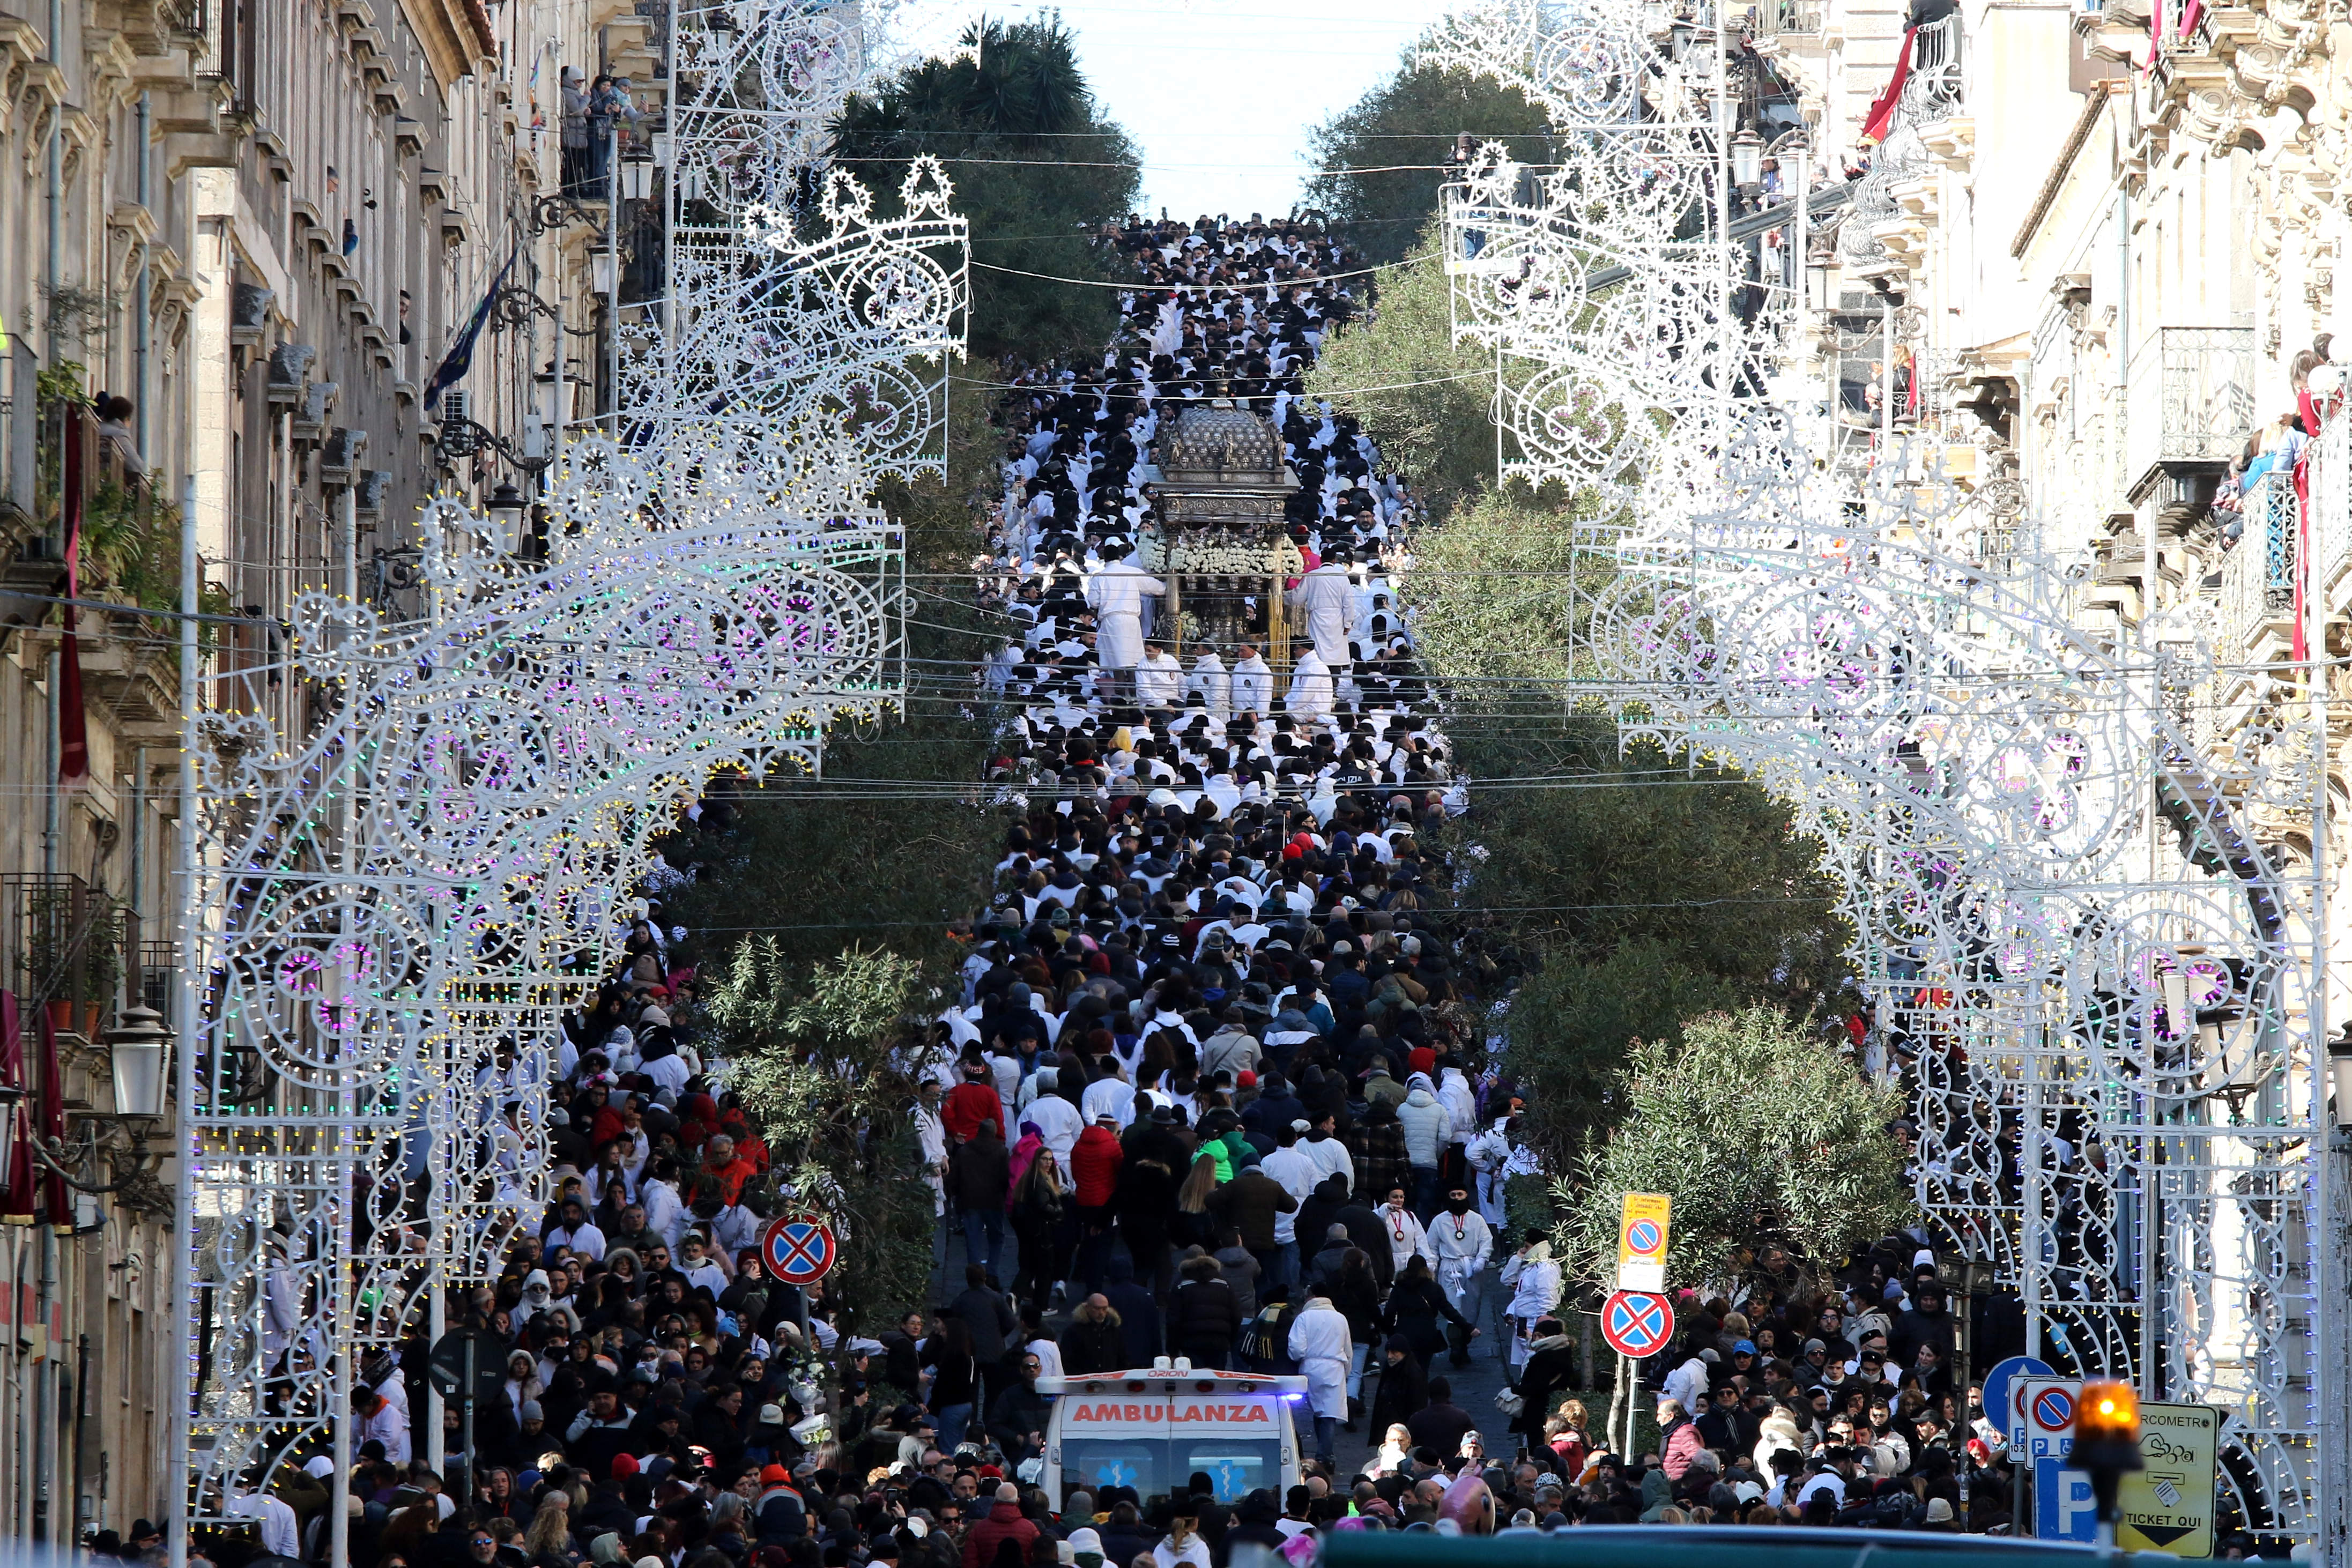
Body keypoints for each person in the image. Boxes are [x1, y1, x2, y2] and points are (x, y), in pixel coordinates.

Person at [1287, 1285, 1353, 1467]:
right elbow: (1348, 1349)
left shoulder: (1304, 1318)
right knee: (1329, 1414)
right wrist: (1346, 1372)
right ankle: (1325, 1455)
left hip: (1311, 1367)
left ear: (1311, 1297)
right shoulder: (1340, 1318)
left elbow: (1297, 1349)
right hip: (1335, 1367)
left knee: (1318, 1411)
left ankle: (1323, 1453)